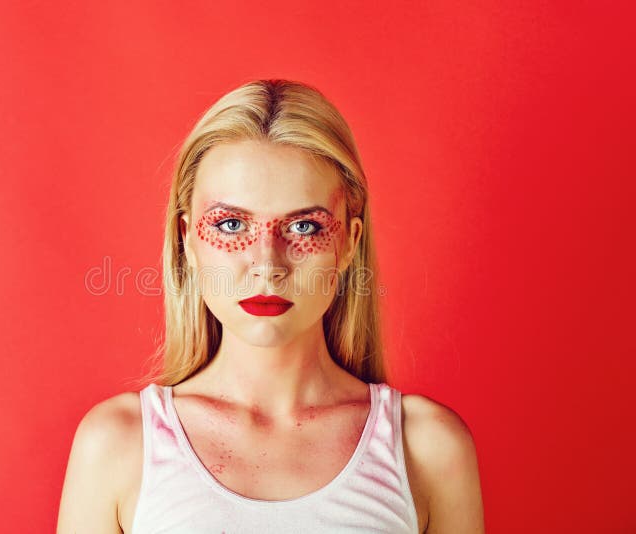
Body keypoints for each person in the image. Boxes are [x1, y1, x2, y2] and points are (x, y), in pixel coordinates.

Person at [56, 79, 484, 533]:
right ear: (186, 239)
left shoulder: (426, 448)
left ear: (349, 243)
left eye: (303, 227)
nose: (267, 265)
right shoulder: (117, 447)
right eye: (232, 222)